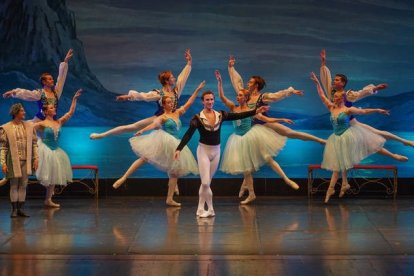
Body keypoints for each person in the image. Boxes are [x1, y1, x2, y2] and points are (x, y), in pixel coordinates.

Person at [310, 72, 408, 203]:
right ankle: (343, 184)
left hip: (349, 132)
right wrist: (317, 81)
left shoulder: (348, 103)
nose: (334, 97)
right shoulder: (331, 106)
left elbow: (364, 109)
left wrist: (378, 107)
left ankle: (399, 149)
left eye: (337, 96)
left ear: (342, 96)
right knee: (341, 162)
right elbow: (322, 95)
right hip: (337, 136)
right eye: (334, 96)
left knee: (372, 142)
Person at [174, 89, 269, 217]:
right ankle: (211, 209)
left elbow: (238, 115)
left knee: (206, 183)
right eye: (207, 100)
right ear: (203, 102)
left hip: (216, 151)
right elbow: (188, 135)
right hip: (203, 151)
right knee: (206, 182)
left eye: (212, 99)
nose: (210, 102)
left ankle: (200, 208)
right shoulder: (197, 118)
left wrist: (255, 111)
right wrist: (179, 149)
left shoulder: (220, 115)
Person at [112, 81, 206, 206]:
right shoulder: (163, 117)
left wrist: (197, 90)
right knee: (145, 158)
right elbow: (153, 125)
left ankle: (169, 199)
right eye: (168, 102)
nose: (171, 103)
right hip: (163, 140)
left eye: (172, 102)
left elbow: (189, 102)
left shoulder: (177, 112)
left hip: (175, 143)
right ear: (163, 105)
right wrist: (142, 130)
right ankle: (124, 177)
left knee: (174, 171)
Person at [216, 70, 298, 204]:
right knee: (246, 169)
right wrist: (220, 82)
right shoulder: (233, 107)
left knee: (264, 160)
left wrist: (282, 119)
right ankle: (250, 192)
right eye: (238, 95)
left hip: (250, 138)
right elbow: (222, 96)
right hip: (237, 139)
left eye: (240, 95)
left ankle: (284, 181)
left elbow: (266, 119)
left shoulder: (251, 110)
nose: (238, 97)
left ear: (246, 98)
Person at [319, 49, 414, 147]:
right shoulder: (331, 93)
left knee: (377, 133)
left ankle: (405, 142)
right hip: (339, 126)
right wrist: (323, 62)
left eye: (337, 80)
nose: (334, 81)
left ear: (343, 83)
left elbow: (361, 93)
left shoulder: (348, 94)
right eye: (334, 80)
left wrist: (375, 88)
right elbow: (326, 79)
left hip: (351, 124)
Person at [89, 49, 192, 139]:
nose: (174, 79)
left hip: (172, 120)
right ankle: (102, 135)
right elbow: (143, 96)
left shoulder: (175, 92)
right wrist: (127, 97)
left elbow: (182, 79)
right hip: (160, 118)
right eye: (172, 77)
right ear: (166, 81)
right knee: (133, 127)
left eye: (173, 77)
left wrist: (189, 63)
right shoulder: (159, 94)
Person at [228, 55, 326, 144]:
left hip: (264, 124)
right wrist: (231, 67)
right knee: (263, 155)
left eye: (250, 82)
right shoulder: (245, 95)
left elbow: (276, 96)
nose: (247, 84)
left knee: (290, 133)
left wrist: (290, 91)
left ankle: (320, 140)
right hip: (250, 128)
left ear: (256, 85)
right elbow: (237, 83)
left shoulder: (263, 97)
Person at [34, 90, 82, 208]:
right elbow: (29, 129)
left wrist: (74, 99)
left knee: (54, 175)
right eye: (51, 107)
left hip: (56, 150)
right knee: (47, 175)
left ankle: (48, 199)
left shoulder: (58, 122)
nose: (54, 108)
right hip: (45, 150)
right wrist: (35, 141)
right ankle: (47, 197)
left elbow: (70, 113)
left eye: (54, 107)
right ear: (45, 111)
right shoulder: (42, 124)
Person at [3, 49, 74, 121]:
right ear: (44, 82)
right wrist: (13, 92)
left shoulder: (56, 93)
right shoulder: (40, 93)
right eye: (50, 79)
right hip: (39, 121)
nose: (52, 80)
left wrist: (65, 62)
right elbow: (27, 94)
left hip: (52, 122)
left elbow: (61, 79)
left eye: (52, 79)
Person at [1, 103, 38, 217]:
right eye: (22, 111)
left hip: (26, 160)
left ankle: (20, 209)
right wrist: (3, 162)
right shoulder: (6, 128)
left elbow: (34, 144)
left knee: (23, 185)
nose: (24, 113)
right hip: (13, 161)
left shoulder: (28, 126)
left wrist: (36, 158)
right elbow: (3, 147)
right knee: (13, 185)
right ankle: (14, 209)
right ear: (16, 113)